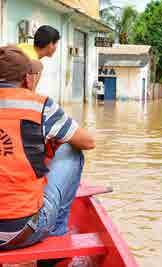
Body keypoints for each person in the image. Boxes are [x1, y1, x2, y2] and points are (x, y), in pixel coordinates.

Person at [0, 46, 95, 250]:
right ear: (27, 79)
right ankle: (57, 236)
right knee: (72, 150)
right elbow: (88, 142)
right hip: (22, 232)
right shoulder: (38, 104)